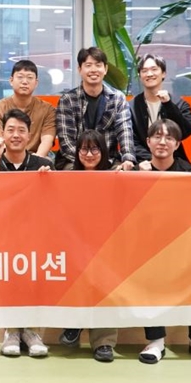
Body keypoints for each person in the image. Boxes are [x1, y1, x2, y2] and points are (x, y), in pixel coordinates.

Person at [135, 119, 191, 363]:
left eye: (169, 138)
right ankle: (155, 341)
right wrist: (138, 176)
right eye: (157, 137)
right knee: (150, 284)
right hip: (149, 245)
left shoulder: (190, 173)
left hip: (185, 243)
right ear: (148, 142)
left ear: (177, 144)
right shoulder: (137, 173)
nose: (162, 142)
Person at [0, 109, 51, 357]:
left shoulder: (43, 164)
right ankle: (11, 331)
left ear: (30, 135)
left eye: (21, 130)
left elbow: (53, 201)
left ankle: (31, 331)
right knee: (7, 280)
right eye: (10, 130)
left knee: (34, 280)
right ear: (2, 134)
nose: (16, 135)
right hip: (0, 236)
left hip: (35, 236)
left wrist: (48, 181)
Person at [58, 128, 119, 361]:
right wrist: (43, 177)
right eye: (84, 149)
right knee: (75, 281)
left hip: (107, 246)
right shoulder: (66, 177)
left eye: (95, 149)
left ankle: (104, 343)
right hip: (74, 245)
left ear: (103, 151)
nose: (89, 154)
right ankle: (74, 324)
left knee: (105, 289)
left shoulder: (116, 176)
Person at [55, 47, 135, 171]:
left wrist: (128, 158)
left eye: (98, 65)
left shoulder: (117, 98)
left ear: (105, 69)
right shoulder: (68, 100)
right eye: (88, 65)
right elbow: (66, 140)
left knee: (123, 173)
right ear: (80, 69)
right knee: (71, 175)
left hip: (108, 160)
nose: (93, 70)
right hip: (75, 161)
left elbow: (125, 131)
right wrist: (87, 160)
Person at [129, 54, 191, 166]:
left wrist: (168, 104)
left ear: (163, 73)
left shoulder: (179, 104)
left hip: (174, 163)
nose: (149, 74)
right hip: (143, 162)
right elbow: (132, 141)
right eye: (144, 71)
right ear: (139, 75)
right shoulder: (131, 107)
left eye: (154, 69)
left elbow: (185, 132)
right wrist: (153, 161)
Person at [0, 60, 56, 158]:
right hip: (5, 157)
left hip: (36, 157)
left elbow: (47, 140)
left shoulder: (48, 110)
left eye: (29, 78)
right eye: (20, 77)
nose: (24, 82)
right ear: (11, 81)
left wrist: (35, 161)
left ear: (36, 83)